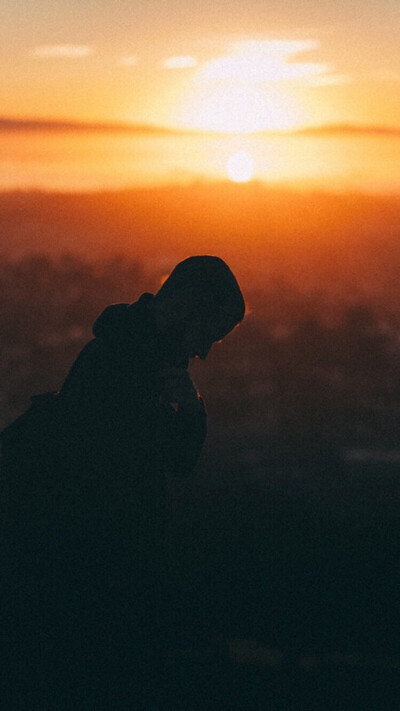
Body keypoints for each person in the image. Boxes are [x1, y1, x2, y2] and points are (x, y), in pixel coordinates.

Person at [0, 255, 245, 709]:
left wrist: (189, 408)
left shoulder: (138, 359)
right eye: (207, 335)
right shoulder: (124, 366)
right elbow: (132, 481)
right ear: (183, 310)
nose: (204, 351)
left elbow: (174, 463)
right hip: (93, 585)